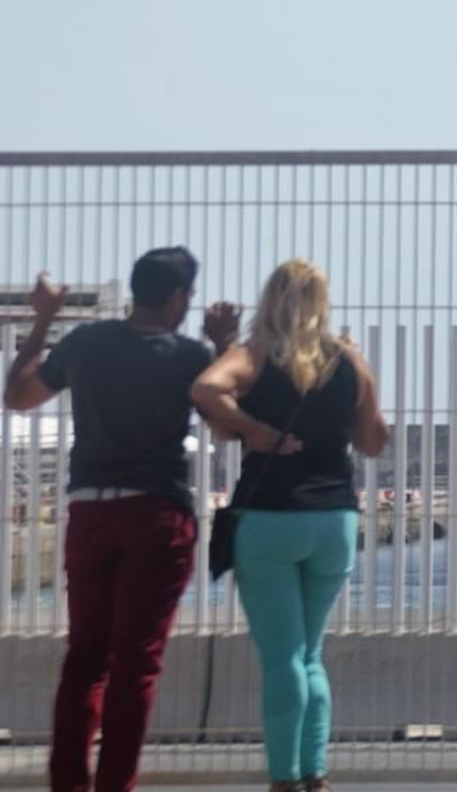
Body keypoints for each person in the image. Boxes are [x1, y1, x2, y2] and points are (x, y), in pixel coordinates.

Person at [3, 248, 239, 792]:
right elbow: (228, 427)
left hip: (90, 510)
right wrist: (225, 346)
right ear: (177, 298)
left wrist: (42, 320)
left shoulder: (86, 343)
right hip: (156, 514)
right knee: (136, 666)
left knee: (85, 659)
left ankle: (68, 784)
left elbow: (17, 396)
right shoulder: (188, 356)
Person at [191, 260, 390, 792]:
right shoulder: (349, 360)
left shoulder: (254, 354)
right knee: (310, 654)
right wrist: (361, 385)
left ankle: (283, 779)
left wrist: (257, 430)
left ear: (271, 299)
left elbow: (207, 390)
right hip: (335, 519)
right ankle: (314, 773)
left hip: (271, 519)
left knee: (282, 658)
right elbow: (372, 442)